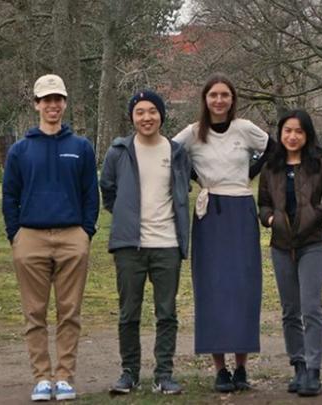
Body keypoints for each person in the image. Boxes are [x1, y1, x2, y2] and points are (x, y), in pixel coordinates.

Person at [2, 74, 99, 401]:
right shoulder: (20, 150)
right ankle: (42, 377)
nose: (52, 105)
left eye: (58, 99)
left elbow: (90, 193)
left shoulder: (81, 147)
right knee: (35, 313)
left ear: (65, 103)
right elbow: (9, 195)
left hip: (72, 236)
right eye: (46, 100)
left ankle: (65, 376)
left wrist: (86, 232)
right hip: (30, 237)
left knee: (69, 311)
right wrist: (15, 235)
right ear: (36, 104)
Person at [172, 73, 269, 392]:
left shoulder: (245, 129)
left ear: (232, 99)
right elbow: (169, 154)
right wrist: (193, 177)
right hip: (210, 214)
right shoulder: (191, 133)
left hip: (241, 210)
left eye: (225, 94)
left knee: (243, 287)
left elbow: (274, 148)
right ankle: (219, 369)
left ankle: (241, 367)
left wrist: (250, 174)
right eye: (213, 94)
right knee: (212, 289)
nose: (219, 100)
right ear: (205, 99)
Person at [100, 90, 191, 395]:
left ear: (161, 115)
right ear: (132, 117)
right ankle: (130, 373)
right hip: (129, 246)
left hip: (167, 244)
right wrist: (128, 217)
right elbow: (108, 192)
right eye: (140, 112)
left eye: (152, 111)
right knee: (129, 313)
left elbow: (183, 190)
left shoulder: (177, 152)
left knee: (166, 312)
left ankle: (164, 374)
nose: (147, 117)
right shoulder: (119, 151)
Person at [257, 110, 322, 397]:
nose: (292, 136)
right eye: (287, 131)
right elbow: (264, 205)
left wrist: (314, 215)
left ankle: (314, 370)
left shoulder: (321, 166)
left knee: (311, 307)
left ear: (307, 135)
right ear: (280, 134)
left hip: (312, 244)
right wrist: (270, 219)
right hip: (281, 246)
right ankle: (299, 367)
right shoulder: (271, 167)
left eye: (299, 131)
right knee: (290, 310)